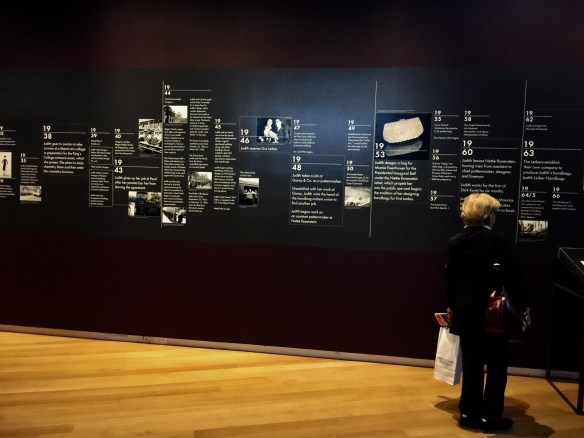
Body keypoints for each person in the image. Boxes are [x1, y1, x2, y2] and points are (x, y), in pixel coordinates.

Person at [444, 193, 530, 432]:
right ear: (488, 216)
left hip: (466, 313)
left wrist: (453, 306)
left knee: (471, 365)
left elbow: (449, 282)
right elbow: (515, 277)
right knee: (496, 366)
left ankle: (468, 414)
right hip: (494, 315)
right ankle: (490, 417)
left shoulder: (455, 242)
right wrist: (524, 303)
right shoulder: (498, 241)